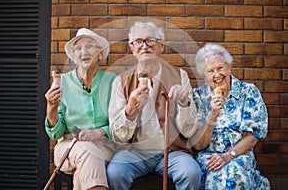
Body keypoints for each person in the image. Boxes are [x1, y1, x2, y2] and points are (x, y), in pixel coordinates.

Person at [107, 21, 202, 190]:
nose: (145, 46)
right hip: (134, 151)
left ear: (161, 46)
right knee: (115, 173)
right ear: (131, 48)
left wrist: (184, 104)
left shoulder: (180, 76)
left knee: (191, 173)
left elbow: (189, 131)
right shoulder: (120, 81)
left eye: (150, 40)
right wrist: (130, 109)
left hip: (172, 151)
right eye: (138, 41)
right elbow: (118, 136)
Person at [44, 28, 116, 190]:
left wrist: (98, 132)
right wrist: (51, 107)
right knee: (89, 152)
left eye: (90, 46)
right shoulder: (62, 82)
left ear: (100, 54)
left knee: (87, 163)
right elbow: (55, 133)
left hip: (104, 146)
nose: (84, 51)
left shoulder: (112, 81)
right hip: (67, 147)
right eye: (78, 48)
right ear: (74, 57)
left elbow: (120, 123)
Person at [191, 43, 270, 189]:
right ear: (204, 75)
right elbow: (199, 144)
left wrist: (229, 155)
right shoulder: (197, 97)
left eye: (220, 68)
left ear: (229, 67)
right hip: (209, 155)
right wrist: (213, 115)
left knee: (236, 173)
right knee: (213, 174)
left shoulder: (248, 92)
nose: (217, 75)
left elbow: (252, 136)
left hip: (239, 154)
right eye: (210, 71)